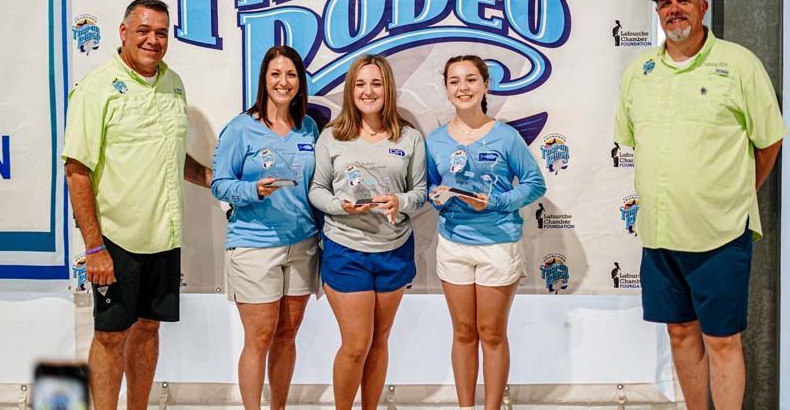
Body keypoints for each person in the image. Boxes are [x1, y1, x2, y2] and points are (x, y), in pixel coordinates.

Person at [614, 0, 786, 410]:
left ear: (703, 7)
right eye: (665, 3)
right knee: (680, 332)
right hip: (659, 232)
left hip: (720, 233)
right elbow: (631, 141)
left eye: (684, 0)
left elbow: (769, 141)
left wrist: (737, 195)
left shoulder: (738, 64)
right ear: (656, 13)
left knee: (723, 339)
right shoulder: (640, 72)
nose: (674, 9)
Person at [62, 0, 211, 410]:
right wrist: (94, 248)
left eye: (161, 32)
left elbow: (172, 154)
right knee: (110, 336)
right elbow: (77, 171)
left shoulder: (173, 83)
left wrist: (209, 178)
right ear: (123, 32)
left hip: (164, 236)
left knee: (147, 330)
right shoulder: (97, 89)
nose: (153, 40)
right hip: (116, 241)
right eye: (143, 30)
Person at [426, 55, 546, 410]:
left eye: (471, 80)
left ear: (485, 85)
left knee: (491, 334)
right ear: (446, 89)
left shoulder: (506, 136)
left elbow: (534, 184)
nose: (463, 87)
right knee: (463, 333)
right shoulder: (435, 140)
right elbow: (432, 188)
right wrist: (438, 199)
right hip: (453, 245)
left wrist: (494, 202)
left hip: (498, 245)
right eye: (455, 81)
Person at [309, 55, 427, 410]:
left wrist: (399, 201)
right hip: (346, 250)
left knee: (379, 341)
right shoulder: (332, 137)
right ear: (350, 90)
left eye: (375, 83)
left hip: (393, 250)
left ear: (387, 88)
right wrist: (338, 206)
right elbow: (317, 189)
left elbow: (420, 192)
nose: (368, 91)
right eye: (360, 84)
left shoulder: (409, 137)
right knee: (356, 344)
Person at [211, 46, 320, 410]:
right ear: (263, 80)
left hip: (303, 245)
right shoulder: (242, 128)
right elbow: (220, 184)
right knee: (259, 337)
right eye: (275, 74)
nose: (283, 82)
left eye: (290, 75)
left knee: (287, 336)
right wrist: (253, 189)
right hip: (255, 245)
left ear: (299, 82)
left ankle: (279, 407)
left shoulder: (309, 128)